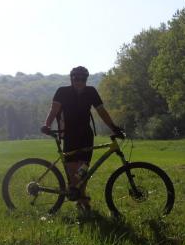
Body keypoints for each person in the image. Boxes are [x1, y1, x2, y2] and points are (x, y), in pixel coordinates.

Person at [40, 66, 125, 211]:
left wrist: (113, 127)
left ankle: (81, 198)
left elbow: (101, 111)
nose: (79, 81)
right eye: (76, 78)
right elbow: (53, 110)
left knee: (83, 171)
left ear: (86, 79)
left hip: (85, 135)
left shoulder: (91, 92)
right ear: (71, 79)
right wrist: (47, 125)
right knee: (73, 171)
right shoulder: (63, 92)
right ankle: (81, 201)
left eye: (83, 79)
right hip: (69, 135)